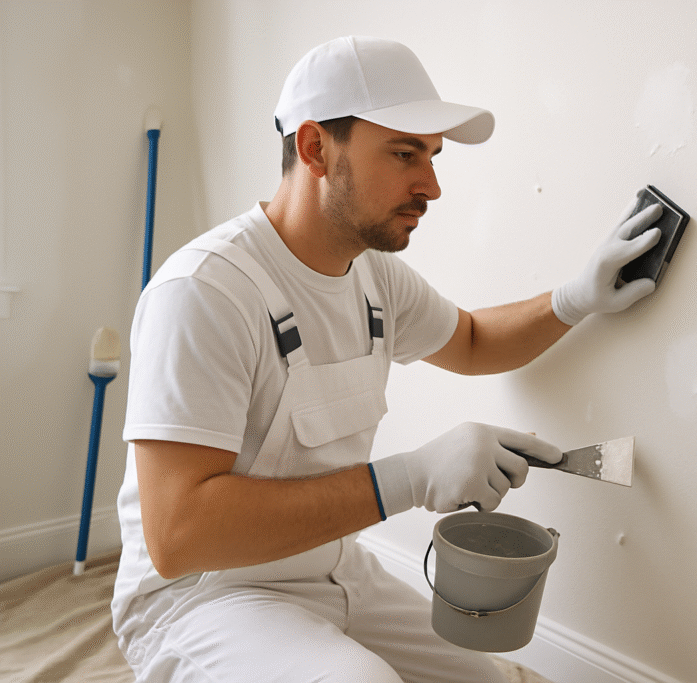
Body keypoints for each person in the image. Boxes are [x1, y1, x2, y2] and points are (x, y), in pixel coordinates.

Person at [111, 36, 663, 683]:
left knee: (491, 679)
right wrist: (409, 476)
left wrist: (576, 298)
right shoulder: (205, 291)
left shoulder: (374, 278)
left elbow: (475, 341)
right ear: (316, 148)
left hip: (335, 569)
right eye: (405, 153)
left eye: (431, 156)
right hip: (206, 596)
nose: (430, 184)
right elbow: (179, 536)